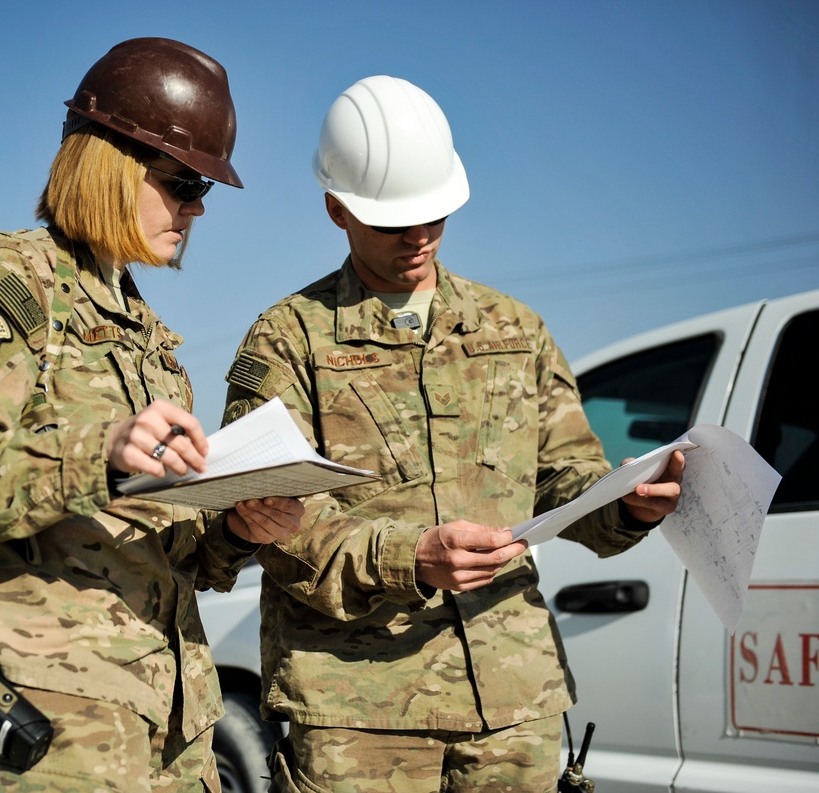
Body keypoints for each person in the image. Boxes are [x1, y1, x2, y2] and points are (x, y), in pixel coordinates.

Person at [221, 75, 685, 793]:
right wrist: (410, 557)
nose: (419, 237)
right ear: (336, 208)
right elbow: (273, 522)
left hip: (513, 701)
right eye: (393, 222)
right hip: (358, 715)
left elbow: (564, 479)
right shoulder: (288, 340)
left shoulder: (515, 329)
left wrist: (627, 503)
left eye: (434, 215)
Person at [0, 38, 302, 793]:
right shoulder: (11, 279)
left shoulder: (151, 340)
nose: (198, 206)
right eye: (182, 182)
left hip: (171, 714)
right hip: (57, 712)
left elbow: (161, 547)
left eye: (201, 188)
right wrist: (99, 451)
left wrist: (237, 527)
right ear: (110, 165)